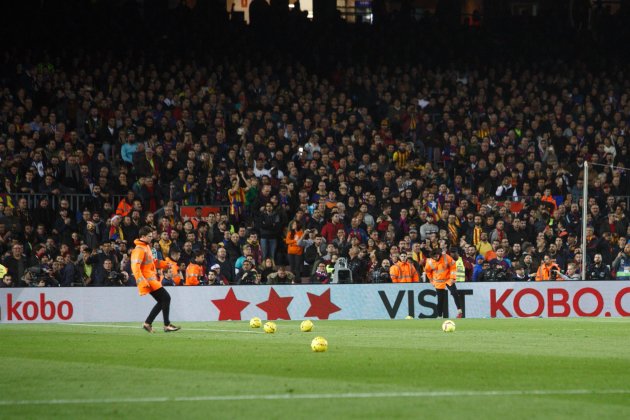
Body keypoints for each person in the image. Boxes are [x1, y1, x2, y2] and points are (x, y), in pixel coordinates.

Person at [131, 226, 180, 333]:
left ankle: (148, 323)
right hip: (148, 280)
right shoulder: (139, 249)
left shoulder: (146, 247)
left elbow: (153, 262)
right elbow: (135, 267)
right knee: (166, 298)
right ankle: (165, 325)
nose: (151, 238)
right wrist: (142, 281)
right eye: (149, 236)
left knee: (163, 300)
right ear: (143, 236)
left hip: (151, 279)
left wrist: (165, 264)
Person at [424, 248, 463, 318]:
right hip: (438, 281)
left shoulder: (446, 257)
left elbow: (453, 266)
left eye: (437, 256)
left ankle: (459, 310)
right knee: (440, 299)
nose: (435, 258)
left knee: (454, 293)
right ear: (431, 257)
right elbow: (427, 271)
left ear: (439, 254)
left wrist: (452, 277)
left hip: (448, 279)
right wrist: (431, 280)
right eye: (434, 257)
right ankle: (439, 316)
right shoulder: (429, 262)